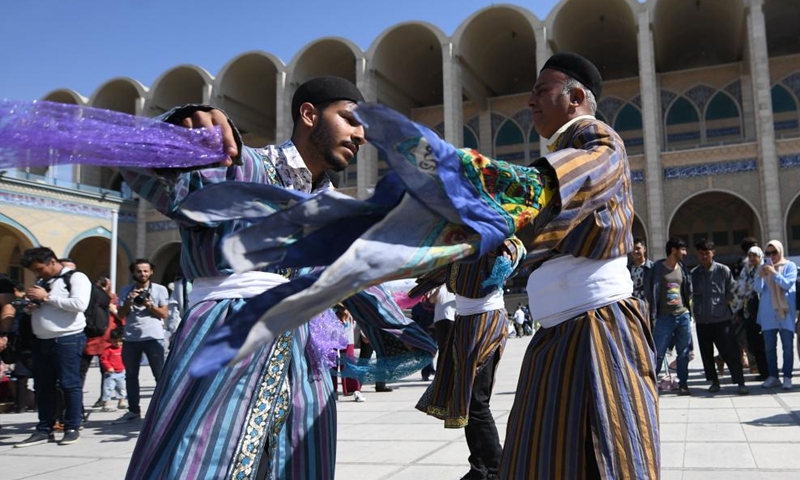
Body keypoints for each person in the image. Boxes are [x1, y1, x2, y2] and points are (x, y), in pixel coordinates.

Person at [119, 76, 366, 479]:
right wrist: (180, 126)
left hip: (305, 362)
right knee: (201, 459)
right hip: (227, 340)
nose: (360, 135)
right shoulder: (242, 165)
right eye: (350, 120)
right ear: (309, 114)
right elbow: (133, 161)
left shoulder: (333, 208)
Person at [494, 53, 658, 479]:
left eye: (540, 91)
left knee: (610, 455)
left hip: (599, 330)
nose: (529, 102)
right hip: (562, 332)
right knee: (543, 456)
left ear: (576, 98)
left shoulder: (600, 142)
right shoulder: (568, 150)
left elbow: (561, 184)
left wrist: (496, 191)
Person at [415, 239, 523, 480]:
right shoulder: (458, 249)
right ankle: (479, 468)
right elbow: (443, 272)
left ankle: (497, 468)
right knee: (465, 400)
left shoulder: (496, 241)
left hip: (486, 323)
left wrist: (508, 253)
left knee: (477, 401)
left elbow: (517, 249)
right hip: (463, 325)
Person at [14, 247, 91, 447]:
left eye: (40, 269)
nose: (37, 274)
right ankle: (44, 429)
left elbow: (80, 304)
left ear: (52, 261)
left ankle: (72, 427)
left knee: (69, 384)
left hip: (67, 339)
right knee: (43, 387)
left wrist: (46, 298)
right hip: (41, 341)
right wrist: (31, 307)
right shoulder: (42, 283)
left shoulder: (76, 278)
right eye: (35, 271)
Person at [114, 258, 169, 423]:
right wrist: (130, 300)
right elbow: (120, 315)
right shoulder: (126, 290)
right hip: (131, 338)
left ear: (151, 272)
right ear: (133, 273)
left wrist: (148, 305)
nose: (142, 274)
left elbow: (164, 314)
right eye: (139, 271)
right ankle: (133, 410)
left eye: (146, 271)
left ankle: (164, 409)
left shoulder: (160, 290)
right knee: (130, 376)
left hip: (153, 337)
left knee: (159, 375)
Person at [690, 239, 748, 395]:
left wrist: (734, 313)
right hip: (703, 321)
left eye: (707, 253)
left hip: (722, 320)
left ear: (713, 253)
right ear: (697, 254)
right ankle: (714, 381)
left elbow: (732, 292)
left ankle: (740, 382)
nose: (704, 257)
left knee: (731, 352)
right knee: (706, 354)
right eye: (701, 254)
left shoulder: (723, 271)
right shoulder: (694, 274)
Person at [754, 240, 797, 390]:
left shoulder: (789, 266)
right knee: (769, 348)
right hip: (768, 312)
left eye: (774, 252)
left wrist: (774, 273)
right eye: (768, 253)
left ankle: (787, 376)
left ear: (780, 252)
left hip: (785, 312)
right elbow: (758, 289)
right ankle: (773, 376)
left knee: (787, 347)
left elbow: (787, 284)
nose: (771, 256)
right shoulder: (762, 268)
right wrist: (760, 276)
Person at [732, 245, 768, 379]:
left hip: (762, 309)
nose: (752, 258)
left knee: (763, 342)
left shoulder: (764, 269)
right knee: (752, 342)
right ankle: (761, 371)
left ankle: (768, 371)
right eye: (750, 255)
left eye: (755, 255)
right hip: (748, 310)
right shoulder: (746, 270)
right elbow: (740, 287)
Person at [332, 304, 365, 402]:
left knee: (349, 362)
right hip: (331, 334)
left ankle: (354, 390)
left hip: (347, 335)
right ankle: (332, 392)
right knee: (332, 362)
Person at [100, 328, 127, 411]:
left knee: (121, 387)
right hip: (110, 373)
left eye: (120, 341)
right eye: (115, 341)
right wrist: (108, 367)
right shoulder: (108, 350)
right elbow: (103, 359)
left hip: (121, 372)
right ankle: (106, 403)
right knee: (108, 388)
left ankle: (121, 401)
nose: (118, 343)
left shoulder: (124, 349)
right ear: (111, 340)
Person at [628, 237, 654, 320]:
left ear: (644, 249)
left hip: (648, 309)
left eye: (638, 248)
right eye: (633, 249)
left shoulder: (652, 268)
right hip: (632, 309)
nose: (635, 251)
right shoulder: (626, 269)